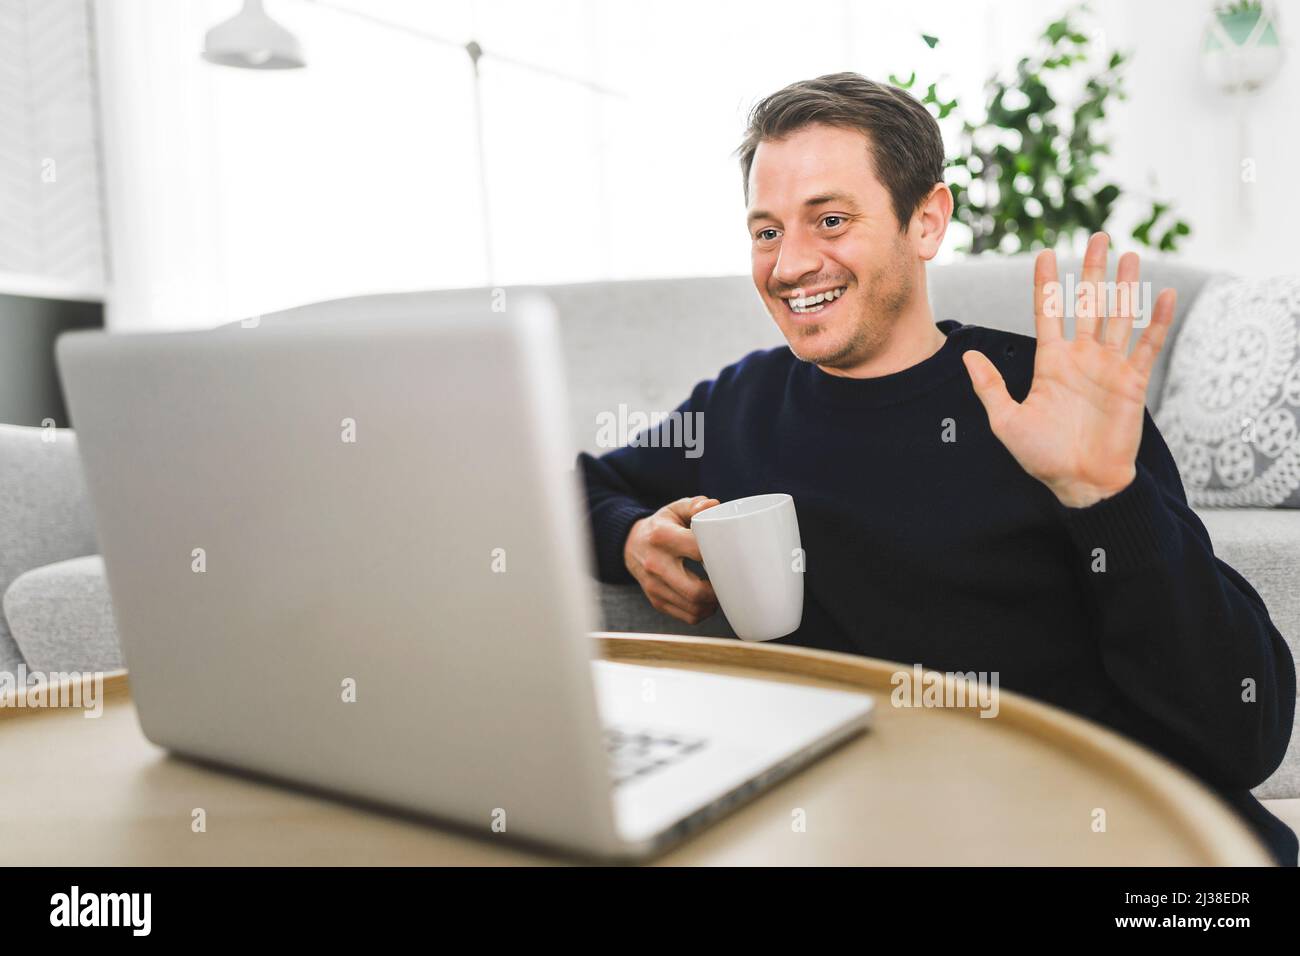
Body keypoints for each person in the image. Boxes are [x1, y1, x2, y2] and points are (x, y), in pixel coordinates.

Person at [576, 73, 1297, 865]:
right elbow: (576, 485)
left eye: (831, 220)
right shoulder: (740, 402)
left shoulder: (1048, 396)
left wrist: (1107, 497)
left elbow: (1246, 734)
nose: (789, 266)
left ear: (927, 220)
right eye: (767, 231)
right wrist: (630, 536)